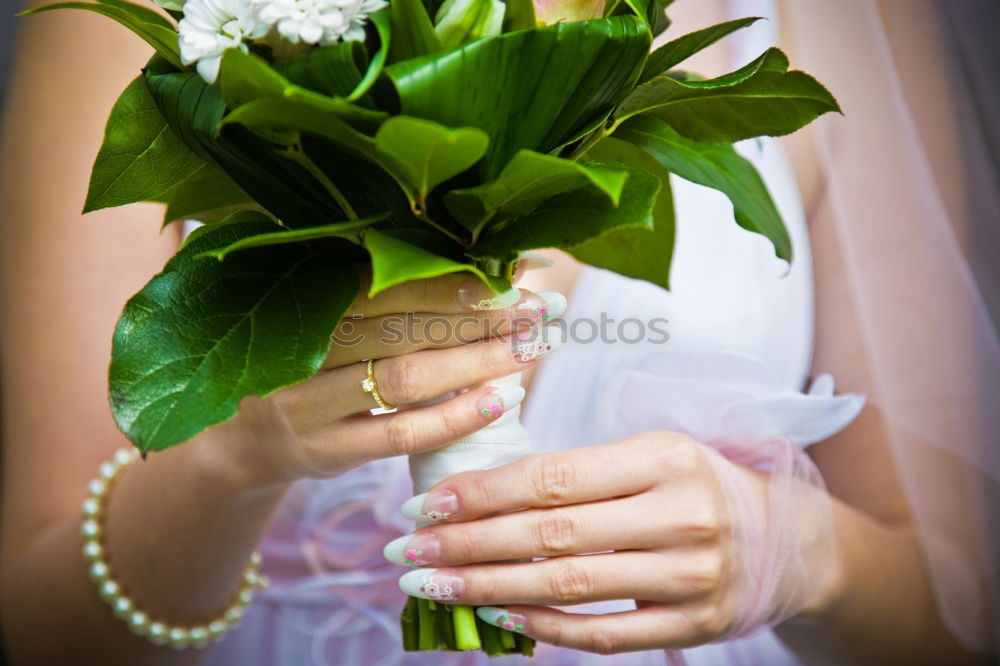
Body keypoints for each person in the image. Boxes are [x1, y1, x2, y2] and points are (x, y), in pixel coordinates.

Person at [1, 1, 996, 665]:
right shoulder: (165, 24)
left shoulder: (835, 22)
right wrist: (233, 457)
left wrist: (796, 549)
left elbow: (959, 615)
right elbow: (40, 633)